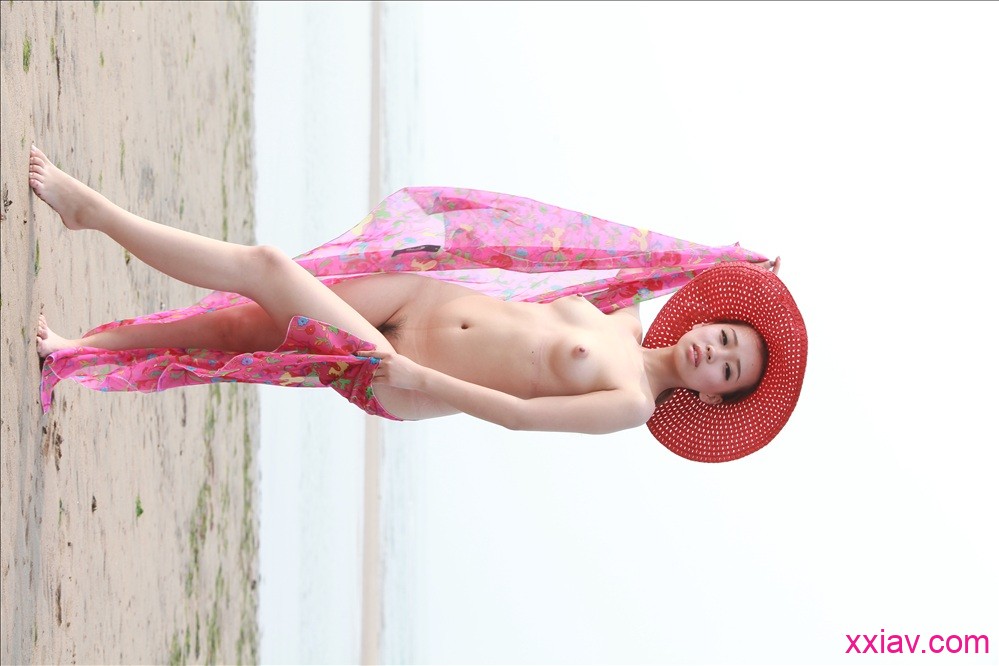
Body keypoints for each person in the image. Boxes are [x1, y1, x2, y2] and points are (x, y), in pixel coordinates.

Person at [29, 145, 807, 462]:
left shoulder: (631, 402)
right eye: (726, 338)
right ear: (709, 320)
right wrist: (727, 258)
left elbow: (520, 416)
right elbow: (626, 256)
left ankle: (93, 214)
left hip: (406, 371)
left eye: (727, 370)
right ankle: (75, 351)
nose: (715, 353)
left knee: (265, 268)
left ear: (712, 397)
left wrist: (419, 379)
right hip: (417, 293)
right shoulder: (622, 317)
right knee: (237, 328)